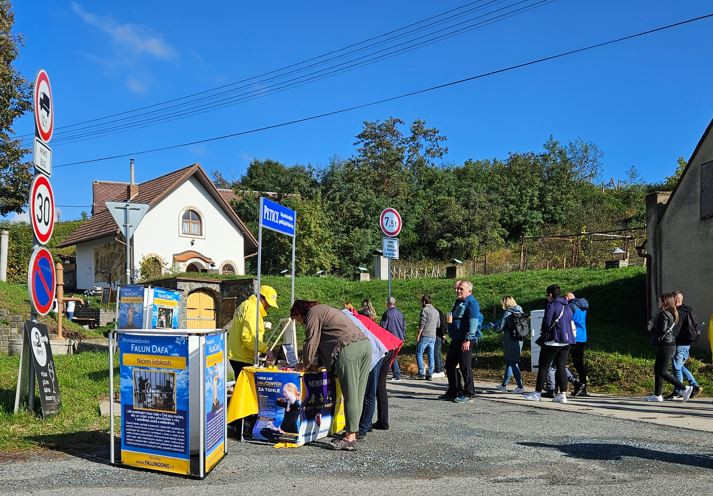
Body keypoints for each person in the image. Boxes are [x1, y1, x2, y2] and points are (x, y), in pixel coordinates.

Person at [291, 300, 371, 451]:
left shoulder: (312, 314)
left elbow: (312, 341)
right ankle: (353, 432)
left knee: (351, 395)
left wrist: (305, 364)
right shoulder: (325, 310)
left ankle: (349, 438)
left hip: (348, 349)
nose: (301, 323)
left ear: (299, 312)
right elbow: (326, 339)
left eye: (298, 319)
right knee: (358, 395)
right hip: (364, 345)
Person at [343, 305, 402, 439]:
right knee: (379, 388)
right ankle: (382, 421)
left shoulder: (352, 320)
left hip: (378, 350)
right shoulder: (359, 318)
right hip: (389, 345)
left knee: (368, 390)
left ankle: (364, 428)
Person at [523, 284, 575, 403]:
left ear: (550, 295)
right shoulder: (567, 306)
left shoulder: (551, 305)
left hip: (552, 340)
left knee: (543, 367)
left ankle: (537, 393)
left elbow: (546, 322)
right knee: (561, 367)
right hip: (566, 341)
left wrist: (544, 332)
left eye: (547, 295)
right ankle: (562, 395)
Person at [645, 293, 693, 402]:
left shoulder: (663, 314)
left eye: (659, 301)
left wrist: (651, 328)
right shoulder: (672, 313)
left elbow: (662, 331)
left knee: (662, 371)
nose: (658, 303)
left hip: (666, 345)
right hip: (670, 345)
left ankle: (684, 388)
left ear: (665, 302)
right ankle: (657, 395)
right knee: (658, 370)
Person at [440, 280, 480, 404]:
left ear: (469, 291)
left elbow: (473, 322)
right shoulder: (459, 302)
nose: (458, 290)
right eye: (457, 289)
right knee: (449, 365)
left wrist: (468, 339)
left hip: (465, 339)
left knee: (465, 366)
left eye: (461, 289)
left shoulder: (472, 303)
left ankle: (469, 393)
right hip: (456, 338)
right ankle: (454, 390)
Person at [227, 285, 278, 380]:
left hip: (237, 355)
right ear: (263, 300)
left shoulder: (246, 304)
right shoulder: (253, 309)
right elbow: (248, 338)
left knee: (241, 388)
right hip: (243, 357)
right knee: (246, 391)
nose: (268, 307)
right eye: (268, 304)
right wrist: (266, 349)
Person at [666, 291, 702, 399]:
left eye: (671, 300)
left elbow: (675, 330)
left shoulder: (679, 313)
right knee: (679, 366)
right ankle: (691, 386)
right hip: (686, 344)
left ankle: (681, 390)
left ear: (676, 301)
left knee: (677, 367)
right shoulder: (688, 311)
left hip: (679, 344)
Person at [489, 296, 525, 394]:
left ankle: (520, 386)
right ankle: (503, 385)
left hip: (510, 340)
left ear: (506, 303)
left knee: (513, 363)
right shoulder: (519, 309)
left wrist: (493, 327)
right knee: (510, 362)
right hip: (519, 340)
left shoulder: (507, 312)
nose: (501, 305)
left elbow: (500, 328)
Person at [380, 297, 405, 381]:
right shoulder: (400, 313)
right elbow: (403, 326)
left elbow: (383, 327)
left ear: (388, 303)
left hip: (391, 337)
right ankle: (395, 373)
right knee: (394, 355)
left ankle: (396, 374)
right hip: (399, 337)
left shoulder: (387, 314)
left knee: (391, 356)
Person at [416, 295, 440, 380]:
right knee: (431, 354)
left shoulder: (425, 310)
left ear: (424, 301)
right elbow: (438, 324)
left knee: (419, 353)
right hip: (433, 335)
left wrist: (419, 335)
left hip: (425, 334)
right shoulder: (436, 311)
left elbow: (422, 323)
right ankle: (430, 373)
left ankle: (421, 372)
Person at [432, 305, 447, 379]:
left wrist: (442, 334)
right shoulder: (440, 313)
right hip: (440, 335)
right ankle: (440, 369)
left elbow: (441, 325)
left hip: (438, 335)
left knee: (436, 352)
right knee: (438, 352)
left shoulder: (437, 313)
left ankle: (438, 370)